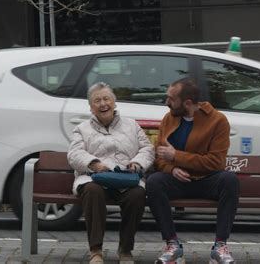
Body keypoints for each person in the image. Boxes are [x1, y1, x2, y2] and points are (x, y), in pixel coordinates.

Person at [146, 77, 240, 264]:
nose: (167, 103)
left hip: (207, 180)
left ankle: (220, 246)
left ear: (187, 103)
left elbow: (216, 162)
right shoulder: (168, 118)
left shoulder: (218, 120)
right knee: (154, 182)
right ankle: (172, 245)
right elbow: (159, 158)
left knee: (230, 180)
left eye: (171, 99)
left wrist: (177, 157)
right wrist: (171, 169)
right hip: (178, 180)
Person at [67, 82, 155, 264]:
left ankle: (125, 250)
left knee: (137, 194)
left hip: (126, 178)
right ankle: (96, 251)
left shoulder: (132, 125)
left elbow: (147, 149)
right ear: (91, 107)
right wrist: (94, 163)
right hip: (94, 178)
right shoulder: (82, 128)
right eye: (97, 101)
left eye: (106, 99)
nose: (102, 104)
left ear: (114, 103)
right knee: (92, 191)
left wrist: (137, 163)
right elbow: (74, 154)